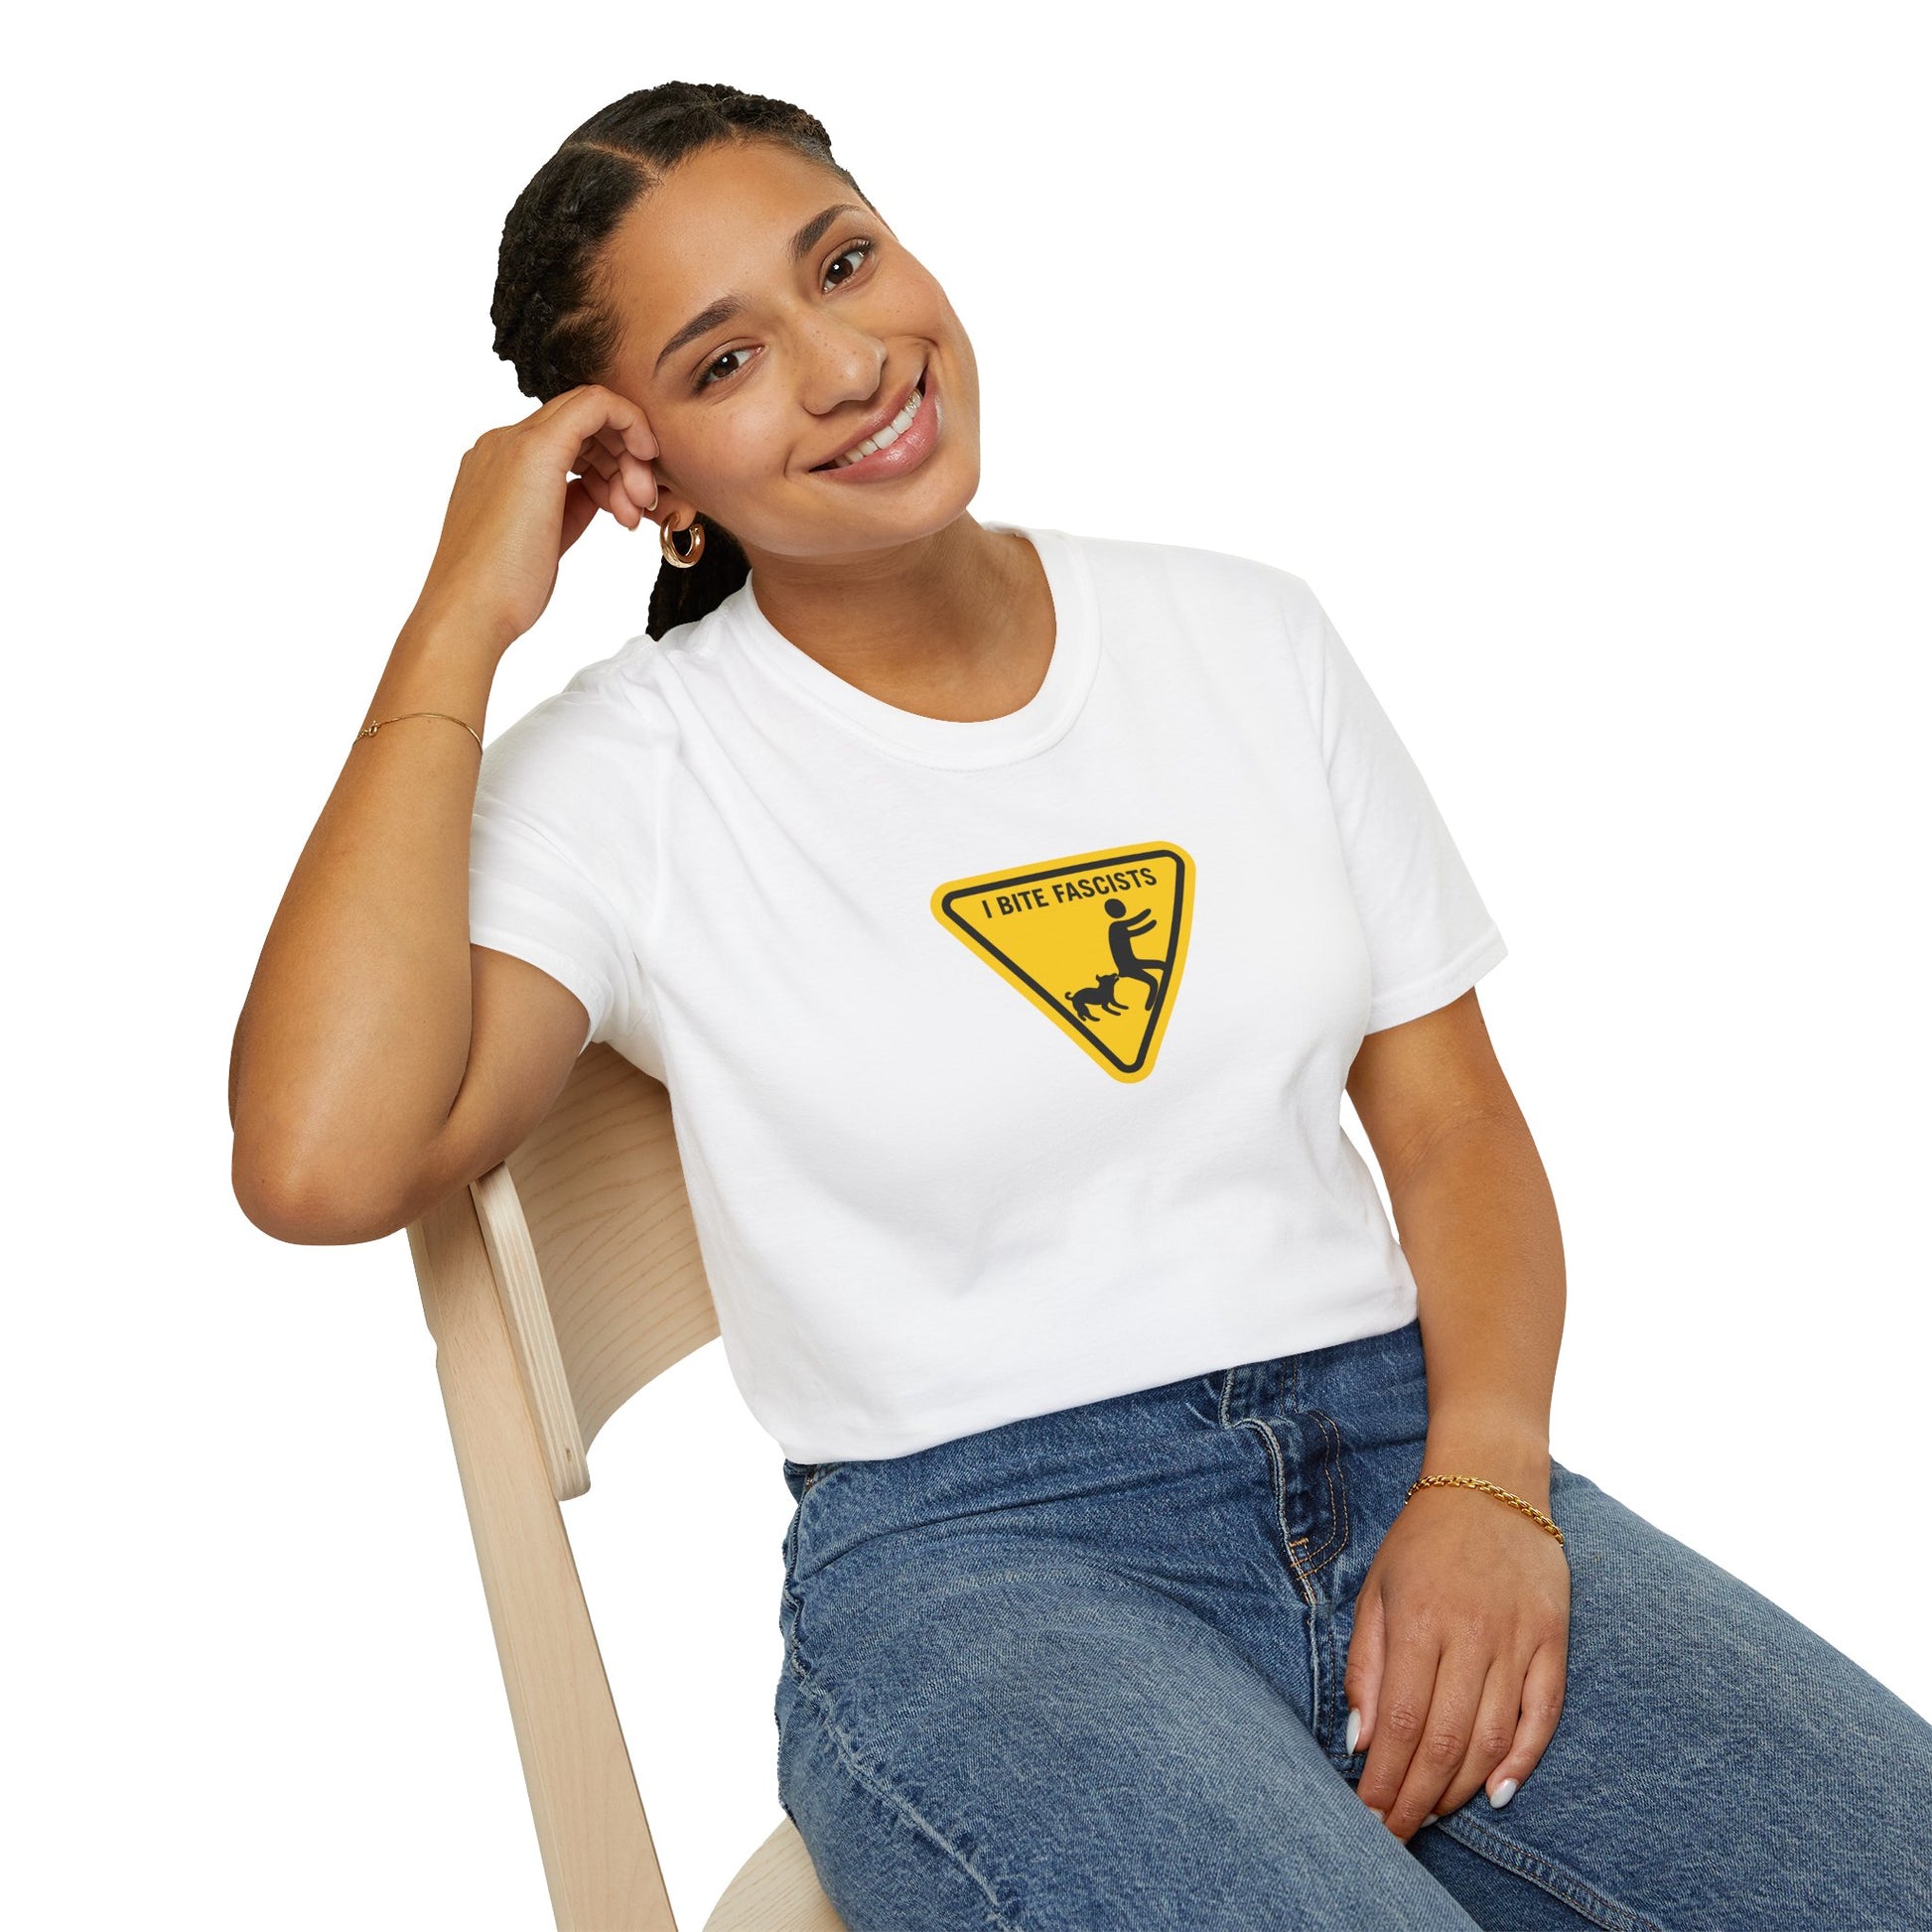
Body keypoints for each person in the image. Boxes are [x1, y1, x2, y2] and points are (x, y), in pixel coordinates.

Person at [228, 80, 1932, 1931]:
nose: (847, 364)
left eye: (843, 264)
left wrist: (1489, 1482)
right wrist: (457, 618)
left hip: (1404, 1448)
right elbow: (320, 1160)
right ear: (648, 480)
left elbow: (1451, 1126)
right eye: (726, 361)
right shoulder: (632, 776)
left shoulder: (1245, 634)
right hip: (979, 1568)